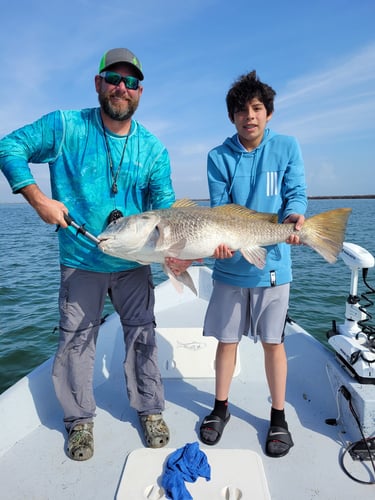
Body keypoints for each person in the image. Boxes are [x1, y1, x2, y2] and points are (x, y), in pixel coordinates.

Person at [0, 48, 176, 461]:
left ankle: (149, 410)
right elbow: (9, 147)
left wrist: (178, 253)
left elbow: (167, 210)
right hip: (80, 258)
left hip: (134, 264)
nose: (121, 88)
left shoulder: (152, 148)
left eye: (130, 82)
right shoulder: (66, 127)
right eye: (114, 79)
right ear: (98, 83)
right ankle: (79, 420)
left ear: (140, 92)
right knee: (76, 341)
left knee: (143, 335)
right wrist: (37, 198)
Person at [199, 71, 307, 458]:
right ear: (232, 117)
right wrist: (221, 244)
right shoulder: (218, 156)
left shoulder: (288, 146)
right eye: (242, 110)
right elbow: (219, 210)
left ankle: (278, 416)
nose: (250, 116)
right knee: (227, 342)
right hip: (230, 268)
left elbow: (296, 192)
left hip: (274, 265)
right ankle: (220, 407)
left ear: (269, 112)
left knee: (273, 343)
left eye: (257, 108)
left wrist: (295, 217)